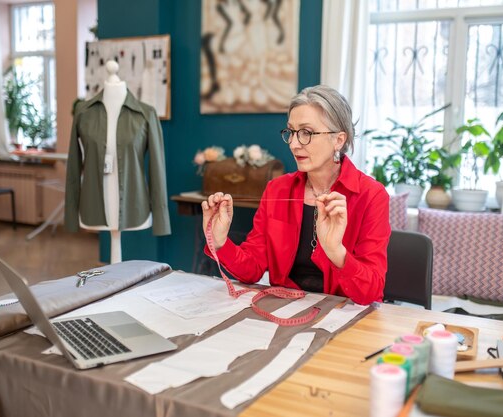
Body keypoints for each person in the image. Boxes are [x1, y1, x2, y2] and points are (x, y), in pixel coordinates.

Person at [201, 85, 390, 305]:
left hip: (345, 316)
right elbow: (251, 270)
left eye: (306, 133)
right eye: (291, 132)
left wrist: (336, 252)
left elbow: (371, 292)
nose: (294, 143)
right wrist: (220, 241)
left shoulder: (372, 195)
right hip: (284, 310)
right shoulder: (277, 189)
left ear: (338, 140)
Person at [65, 61, 170, 263]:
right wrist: (71, 214)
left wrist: (161, 218)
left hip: (135, 206)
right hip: (93, 203)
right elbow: (73, 167)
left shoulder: (145, 114)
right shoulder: (84, 113)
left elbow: (157, 169)